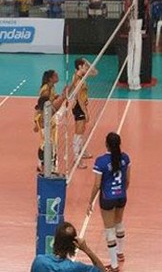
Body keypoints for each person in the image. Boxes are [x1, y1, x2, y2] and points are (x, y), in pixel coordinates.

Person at [87, 132, 131, 272]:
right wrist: (121, 191)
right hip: (121, 195)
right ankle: (120, 252)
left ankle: (114, 265)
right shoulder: (125, 158)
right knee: (119, 222)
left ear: (106, 144)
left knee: (109, 229)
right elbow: (127, 180)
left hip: (107, 198)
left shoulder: (101, 161)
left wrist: (90, 201)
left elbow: (97, 185)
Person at [30, 221, 104, 272]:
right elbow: (102, 270)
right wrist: (86, 250)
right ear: (74, 244)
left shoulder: (39, 260)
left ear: (55, 240)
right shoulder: (76, 268)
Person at [71, 58, 98, 169]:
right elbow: (79, 98)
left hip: (82, 106)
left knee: (82, 131)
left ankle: (82, 151)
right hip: (79, 107)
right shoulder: (78, 79)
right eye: (85, 66)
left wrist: (87, 61)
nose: (87, 68)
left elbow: (95, 72)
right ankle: (77, 159)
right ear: (79, 67)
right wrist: (85, 112)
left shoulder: (82, 75)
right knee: (78, 133)